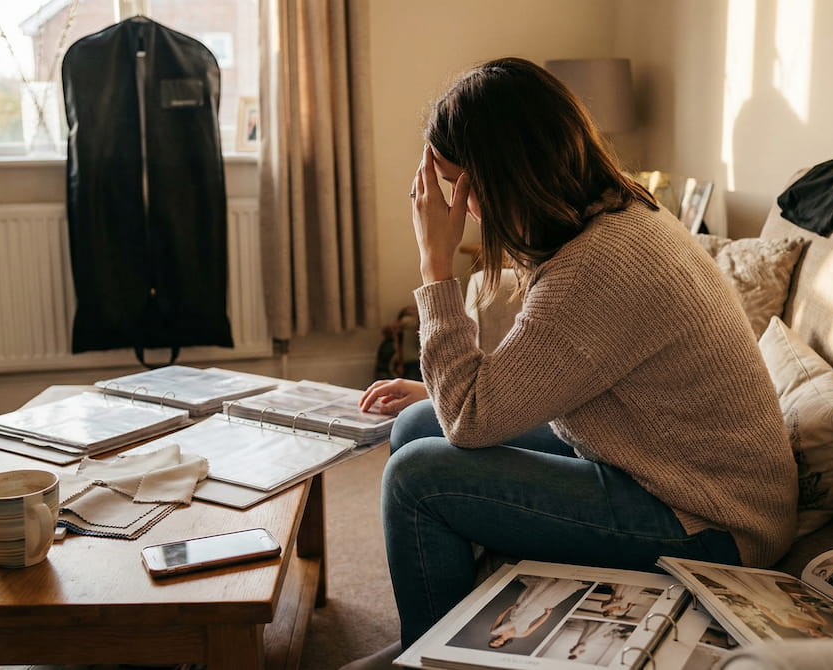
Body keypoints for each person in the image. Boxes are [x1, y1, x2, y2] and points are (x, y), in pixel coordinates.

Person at [341, 57, 796, 670]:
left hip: (711, 519)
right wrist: (437, 391)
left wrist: (434, 266)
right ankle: (441, 624)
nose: (460, 207)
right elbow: (532, 371)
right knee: (417, 425)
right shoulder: (616, 213)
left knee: (418, 478)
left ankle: (434, 658)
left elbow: (472, 421)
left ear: (504, 176)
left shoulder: (600, 266)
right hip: (653, 461)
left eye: (462, 186)